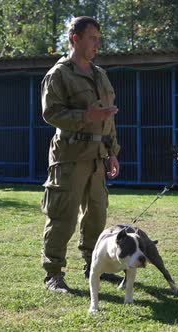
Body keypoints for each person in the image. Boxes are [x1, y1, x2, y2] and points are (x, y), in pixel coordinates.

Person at [40, 16, 121, 293]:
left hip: (98, 155)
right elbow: (51, 113)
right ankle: (53, 273)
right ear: (75, 38)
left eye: (99, 38)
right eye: (92, 38)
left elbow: (108, 119)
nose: (97, 43)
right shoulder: (59, 74)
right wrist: (86, 116)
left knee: (97, 215)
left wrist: (112, 151)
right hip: (70, 155)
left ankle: (94, 265)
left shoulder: (101, 75)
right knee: (63, 214)